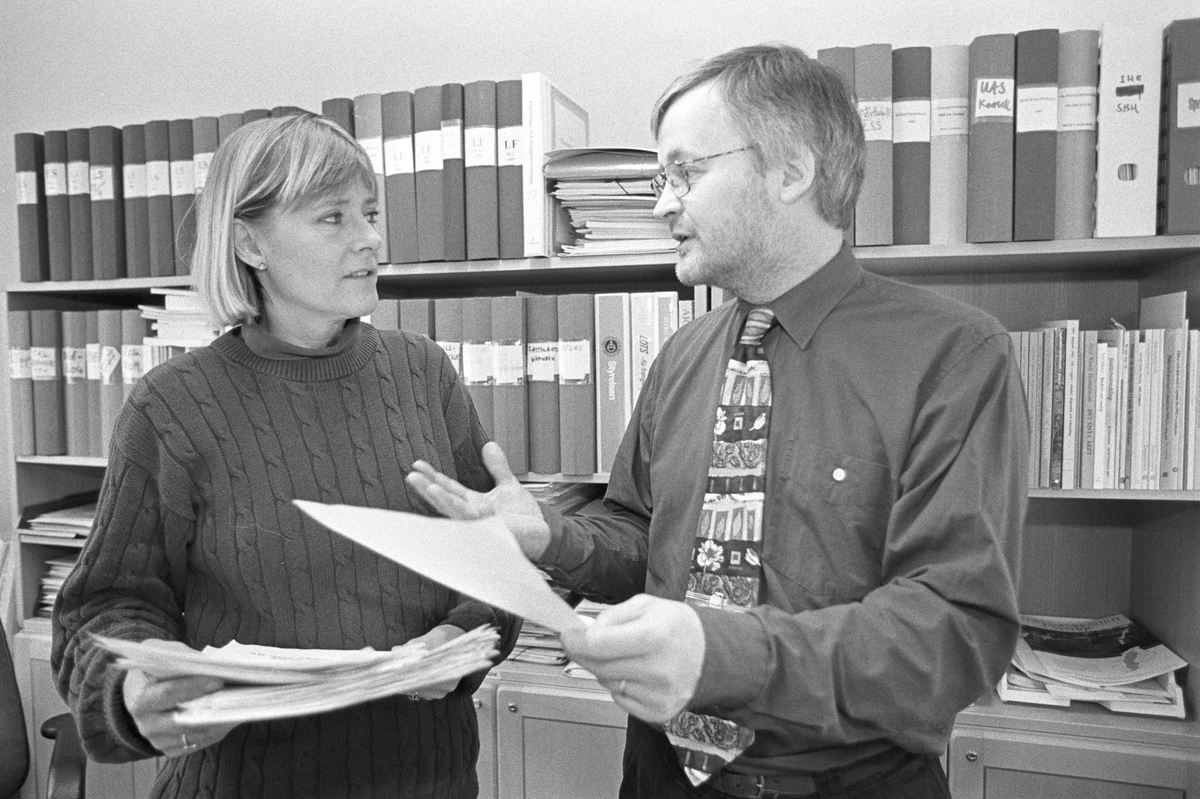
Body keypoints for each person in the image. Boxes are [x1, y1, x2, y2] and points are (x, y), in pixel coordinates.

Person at [408, 43, 1027, 798]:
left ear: (791, 170)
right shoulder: (683, 354)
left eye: (686, 173)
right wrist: (549, 533)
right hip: (659, 774)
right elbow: (643, 533)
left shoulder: (954, 355)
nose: (663, 204)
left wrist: (720, 652)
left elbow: (953, 631)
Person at [52, 113, 518, 799]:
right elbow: (101, 611)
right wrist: (132, 689)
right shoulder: (172, 405)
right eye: (332, 218)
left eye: (369, 212)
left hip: (430, 778)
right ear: (250, 242)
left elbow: (492, 567)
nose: (370, 239)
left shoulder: (424, 371)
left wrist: (457, 637)